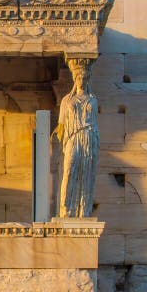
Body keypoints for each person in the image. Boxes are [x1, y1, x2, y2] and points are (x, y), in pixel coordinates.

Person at [55, 58, 99, 218]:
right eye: (79, 78)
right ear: (75, 79)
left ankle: (84, 210)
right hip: (73, 138)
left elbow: (95, 123)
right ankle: (66, 209)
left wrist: (95, 142)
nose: (81, 81)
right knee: (69, 170)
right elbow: (61, 124)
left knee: (87, 172)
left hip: (89, 137)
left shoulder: (93, 100)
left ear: (88, 79)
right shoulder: (67, 100)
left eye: (84, 78)